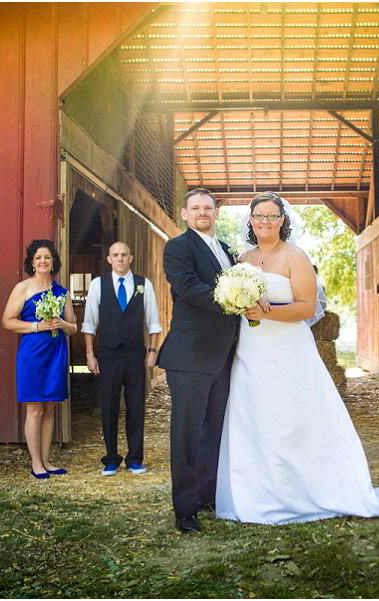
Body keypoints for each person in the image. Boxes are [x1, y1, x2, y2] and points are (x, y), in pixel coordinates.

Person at [215, 191, 379, 525]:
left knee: (292, 418)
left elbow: (306, 309)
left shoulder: (294, 257)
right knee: (254, 416)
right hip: (252, 349)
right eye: (259, 216)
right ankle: (257, 493)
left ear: (282, 220)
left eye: (272, 215)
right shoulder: (242, 260)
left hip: (288, 350)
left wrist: (268, 313)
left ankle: (305, 488)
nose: (265, 222)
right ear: (250, 220)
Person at [158, 188, 240, 533]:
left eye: (208, 207)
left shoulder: (226, 251)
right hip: (190, 354)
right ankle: (185, 510)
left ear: (216, 213)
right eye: (196, 208)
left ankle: (207, 495)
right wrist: (235, 300)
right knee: (188, 434)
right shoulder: (178, 247)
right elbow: (188, 287)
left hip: (223, 354)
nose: (202, 212)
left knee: (213, 430)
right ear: (185, 213)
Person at [83, 241, 162, 476]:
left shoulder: (143, 284)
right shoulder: (98, 285)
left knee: (136, 405)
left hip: (136, 353)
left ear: (131, 258)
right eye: (115, 255)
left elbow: (153, 322)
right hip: (109, 353)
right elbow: (89, 323)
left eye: (123, 255)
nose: (119, 259)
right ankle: (111, 458)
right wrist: (90, 355)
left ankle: (135, 458)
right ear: (109, 259)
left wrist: (152, 353)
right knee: (108, 406)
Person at [2, 240, 77, 479]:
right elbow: (7, 321)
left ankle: (46, 460)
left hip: (56, 353)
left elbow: (74, 328)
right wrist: (36, 325)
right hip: (33, 353)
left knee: (50, 410)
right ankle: (35, 463)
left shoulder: (61, 292)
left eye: (47, 257)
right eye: (38, 258)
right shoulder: (23, 288)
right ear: (32, 262)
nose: (43, 261)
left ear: (53, 261)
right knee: (34, 409)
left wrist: (63, 324)